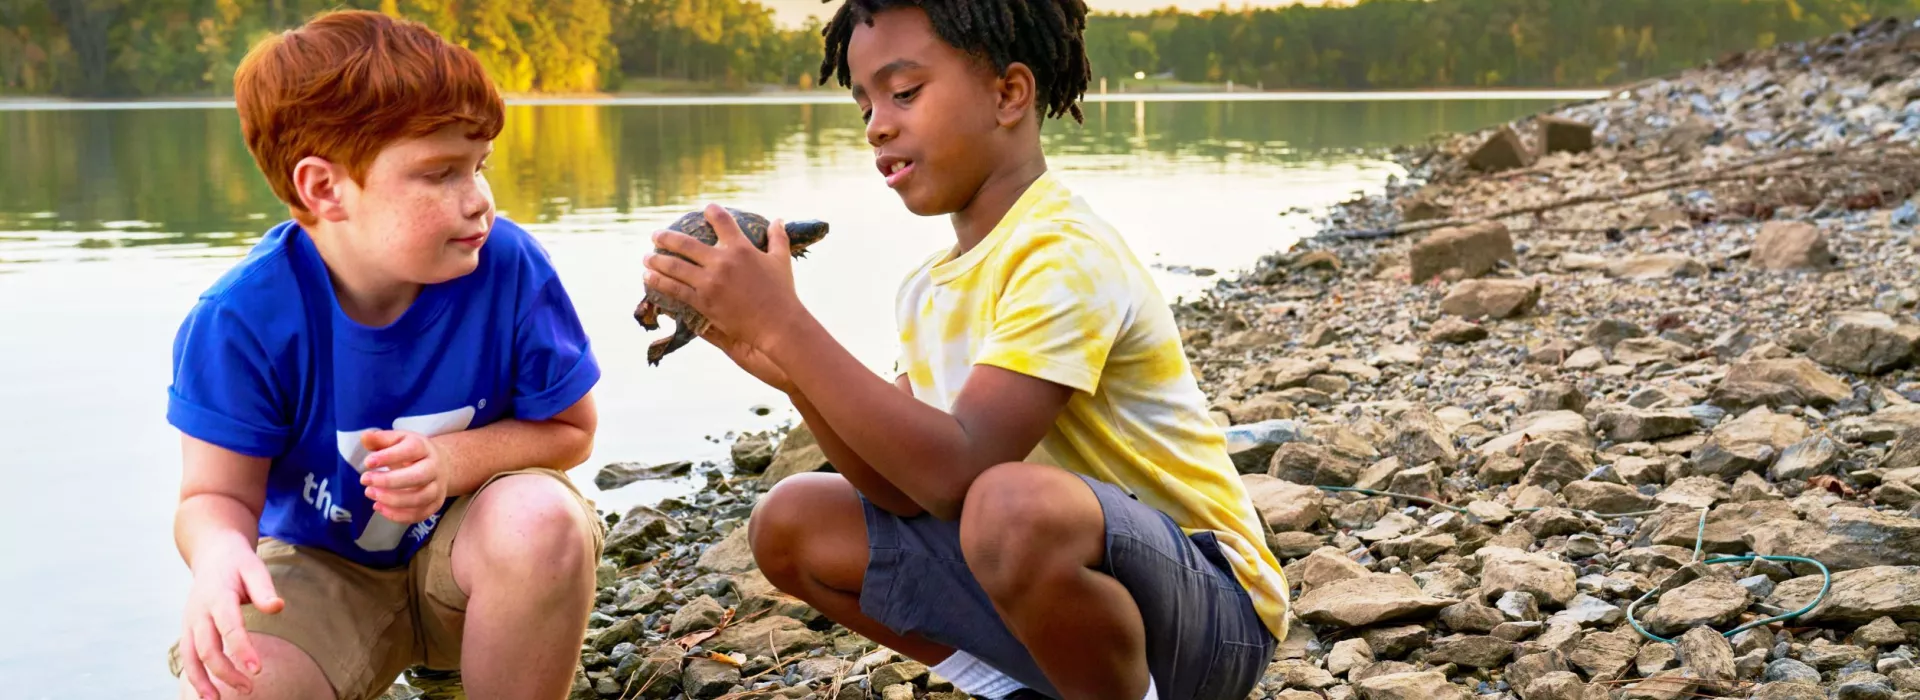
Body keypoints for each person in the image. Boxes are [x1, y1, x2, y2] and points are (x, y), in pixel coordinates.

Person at [639, 0, 1288, 697]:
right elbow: (901, 487)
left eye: (905, 92)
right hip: (1064, 597)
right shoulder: (928, 286)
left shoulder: (1063, 251)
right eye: (864, 107)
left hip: (1213, 616)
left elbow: (960, 468)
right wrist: (788, 367)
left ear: (1009, 94)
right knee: (791, 520)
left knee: (1006, 506)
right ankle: (1028, 686)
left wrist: (788, 324)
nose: (878, 124)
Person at [165, 10, 604, 700]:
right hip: (323, 571)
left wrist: (452, 461)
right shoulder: (240, 319)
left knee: (541, 518)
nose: (479, 203)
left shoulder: (509, 267)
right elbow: (214, 495)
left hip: (470, 567)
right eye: (441, 174)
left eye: (479, 167)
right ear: (324, 189)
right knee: (240, 678)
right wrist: (218, 554)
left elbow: (573, 430)